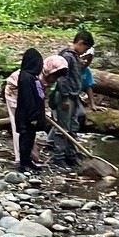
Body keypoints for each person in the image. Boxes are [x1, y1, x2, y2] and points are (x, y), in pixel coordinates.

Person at [47, 28, 94, 165]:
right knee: (63, 128)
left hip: (73, 96)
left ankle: (70, 154)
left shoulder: (74, 57)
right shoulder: (67, 56)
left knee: (73, 126)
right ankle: (59, 157)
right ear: (80, 43)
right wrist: (66, 97)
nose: (85, 52)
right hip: (65, 97)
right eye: (85, 48)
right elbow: (63, 79)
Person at [5, 47, 48, 171]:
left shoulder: (32, 77)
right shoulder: (26, 78)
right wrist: (33, 115)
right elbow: (27, 99)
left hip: (32, 115)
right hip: (27, 115)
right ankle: (23, 163)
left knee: (30, 138)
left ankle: (28, 161)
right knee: (25, 138)